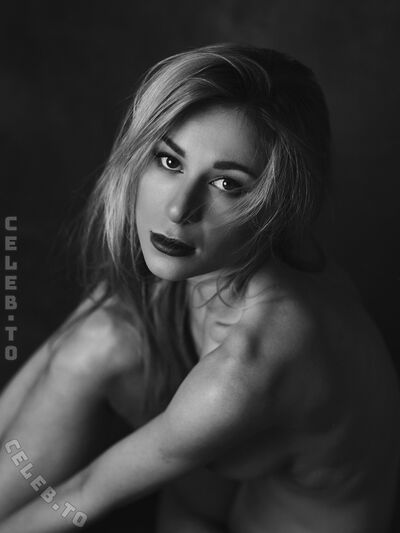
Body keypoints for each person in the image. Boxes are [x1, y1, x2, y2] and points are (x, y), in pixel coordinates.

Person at [0, 42, 399, 533]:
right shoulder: (225, 257)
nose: (178, 209)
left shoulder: (247, 366)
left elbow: (83, 497)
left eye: (227, 184)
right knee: (98, 336)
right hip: (214, 501)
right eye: (170, 161)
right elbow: (57, 354)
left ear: (278, 202)